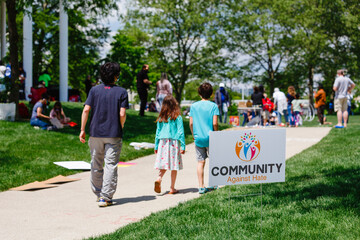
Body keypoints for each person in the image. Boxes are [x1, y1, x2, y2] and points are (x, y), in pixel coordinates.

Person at [79, 62, 129, 207]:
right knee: (110, 165)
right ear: (116, 76)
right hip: (113, 133)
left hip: (95, 132)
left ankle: (98, 193)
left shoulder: (94, 91)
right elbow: (122, 113)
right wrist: (121, 125)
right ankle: (105, 197)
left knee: (96, 163)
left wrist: (82, 129)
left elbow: (86, 110)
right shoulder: (121, 92)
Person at [189, 82, 219, 194]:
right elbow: (215, 123)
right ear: (211, 94)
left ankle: (201, 186)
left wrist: (193, 135)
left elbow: (191, 124)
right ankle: (213, 184)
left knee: (200, 162)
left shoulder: (193, 106)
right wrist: (217, 134)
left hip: (198, 138)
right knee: (213, 161)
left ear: (199, 93)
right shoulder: (213, 106)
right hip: (211, 137)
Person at [153, 95, 185, 194]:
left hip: (163, 142)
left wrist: (156, 145)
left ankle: (159, 178)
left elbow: (157, 133)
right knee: (174, 166)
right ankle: (172, 188)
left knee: (164, 163)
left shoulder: (161, 118)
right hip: (173, 143)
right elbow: (180, 132)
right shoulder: (177, 117)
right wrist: (183, 145)